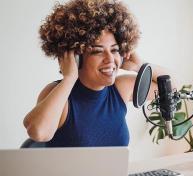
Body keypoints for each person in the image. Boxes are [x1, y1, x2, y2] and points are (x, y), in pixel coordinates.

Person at [23, 0, 172, 147]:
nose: (110, 59)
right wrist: (69, 78)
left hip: (115, 172)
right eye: (98, 52)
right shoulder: (59, 94)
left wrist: (140, 66)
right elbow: (39, 133)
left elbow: (170, 89)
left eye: (114, 50)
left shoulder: (120, 89)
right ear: (77, 57)